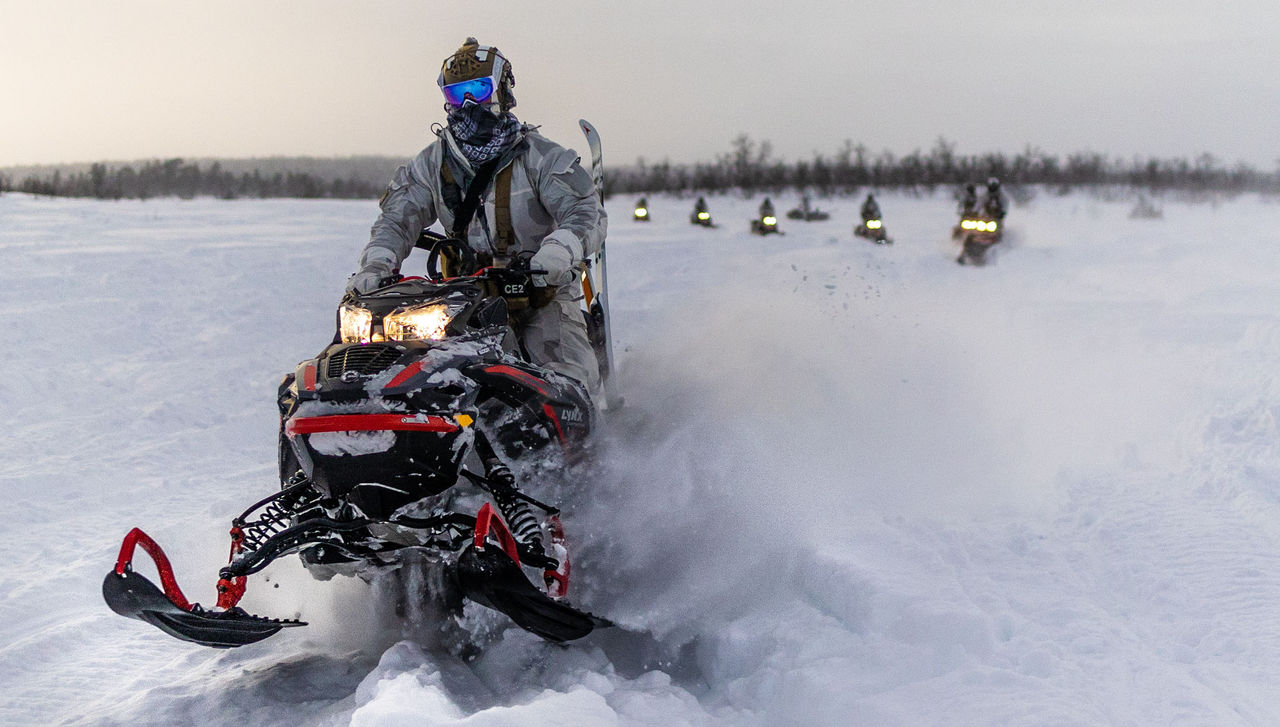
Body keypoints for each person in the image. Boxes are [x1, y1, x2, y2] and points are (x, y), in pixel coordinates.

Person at [346, 38, 607, 392]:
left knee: (568, 379)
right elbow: (395, 221)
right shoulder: (429, 165)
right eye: (457, 95)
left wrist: (559, 250)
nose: (468, 104)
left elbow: (586, 212)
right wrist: (375, 266)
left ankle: (574, 440)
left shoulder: (542, 157)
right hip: (461, 300)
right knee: (416, 374)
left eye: (478, 90)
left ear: (501, 90)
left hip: (539, 294)